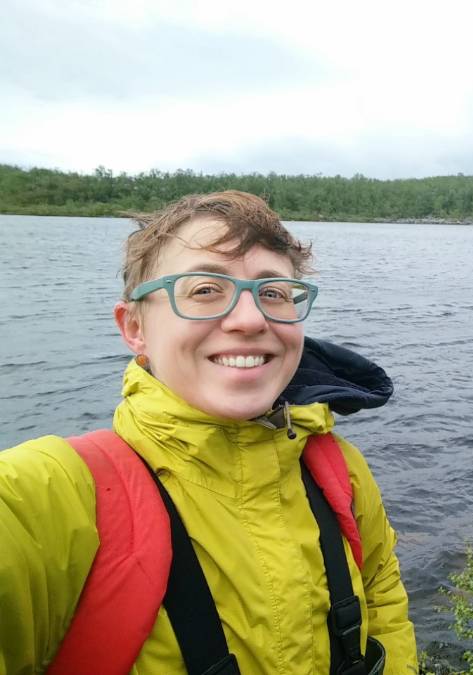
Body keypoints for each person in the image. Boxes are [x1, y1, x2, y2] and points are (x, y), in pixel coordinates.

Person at [0, 191, 417, 674]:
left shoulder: (335, 468)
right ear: (134, 327)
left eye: (274, 293)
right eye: (204, 290)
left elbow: (381, 590)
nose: (250, 319)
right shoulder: (46, 498)